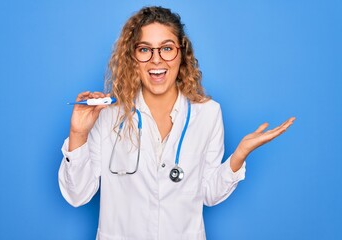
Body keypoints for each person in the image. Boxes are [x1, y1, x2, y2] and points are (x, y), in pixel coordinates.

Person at [58, 6, 295, 240]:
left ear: (182, 53)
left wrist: (239, 155)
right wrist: (78, 133)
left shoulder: (209, 114)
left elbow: (209, 194)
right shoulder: (107, 114)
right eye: (145, 50)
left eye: (167, 48)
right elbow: (77, 195)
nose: (156, 60)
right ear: (132, 57)